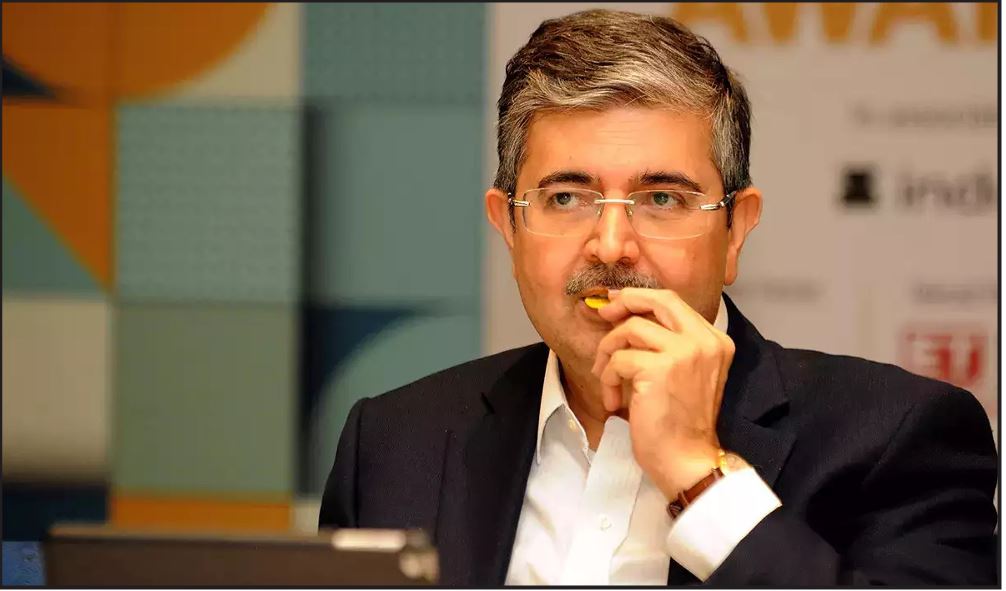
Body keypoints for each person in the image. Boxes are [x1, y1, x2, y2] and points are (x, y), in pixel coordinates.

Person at [318, 9, 997, 586]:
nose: (611, 245)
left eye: (662, 198)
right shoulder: (395, 440)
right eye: (566, 197)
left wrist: (699, 474)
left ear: (736, 230)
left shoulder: (895, 438)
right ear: (508, 225)